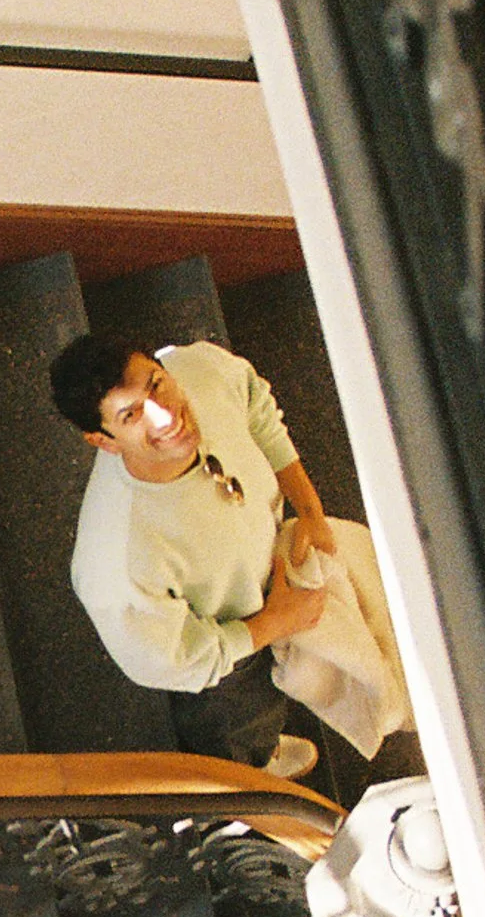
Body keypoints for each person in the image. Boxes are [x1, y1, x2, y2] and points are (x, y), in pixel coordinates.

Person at [51, 331, 337, 779]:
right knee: (238, 724)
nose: (167, 417)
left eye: (156, 384)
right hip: (229, 656)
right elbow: (172, 659)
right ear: (104, 441)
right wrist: (275, 623)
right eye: (131, 415)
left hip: (269, 581)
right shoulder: (117, 562)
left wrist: (309, 509)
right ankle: (251, 770)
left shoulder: (198, 369)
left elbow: (255, 405)